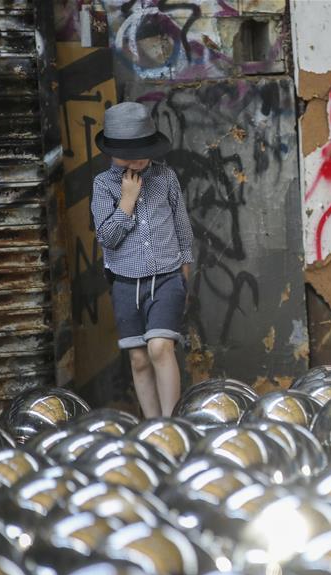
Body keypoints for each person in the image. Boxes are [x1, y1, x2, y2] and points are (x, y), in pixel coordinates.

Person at [91, 102, 194, 418]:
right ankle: (152, 427)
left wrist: (185, 266)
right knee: (138, 357)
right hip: (125, 282)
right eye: (126, 153)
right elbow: (107, 238)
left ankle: (170, 423)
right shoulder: (103, 185)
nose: (135, 160)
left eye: (141, 151)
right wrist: (127, 202)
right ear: (111, 151)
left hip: (167, 276)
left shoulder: (165, 177)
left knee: (160, 347)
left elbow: (181, 223)